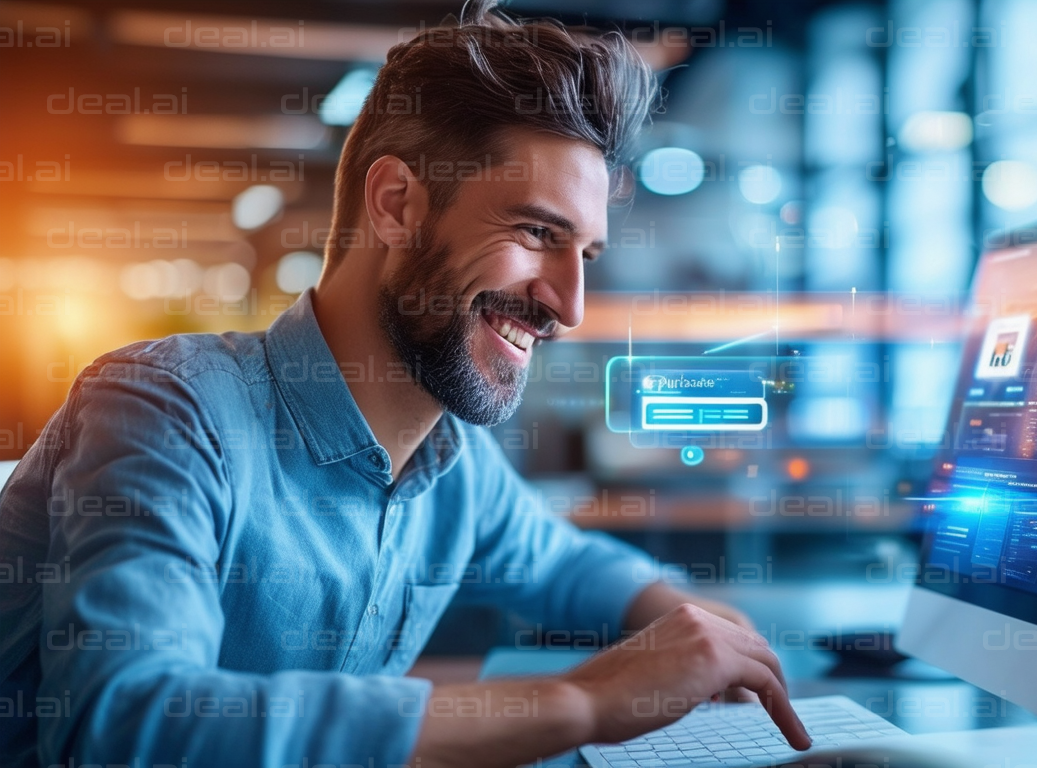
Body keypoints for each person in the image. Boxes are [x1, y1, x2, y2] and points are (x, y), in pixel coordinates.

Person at [0, 3, 810, 766]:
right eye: (536, 232)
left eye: (584, 256)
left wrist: (698, 627)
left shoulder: (451, 460)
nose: (567, 305)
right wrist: (580, 702)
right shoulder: (166, 408)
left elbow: (569, 568)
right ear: (396, 205)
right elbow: (127, 725)